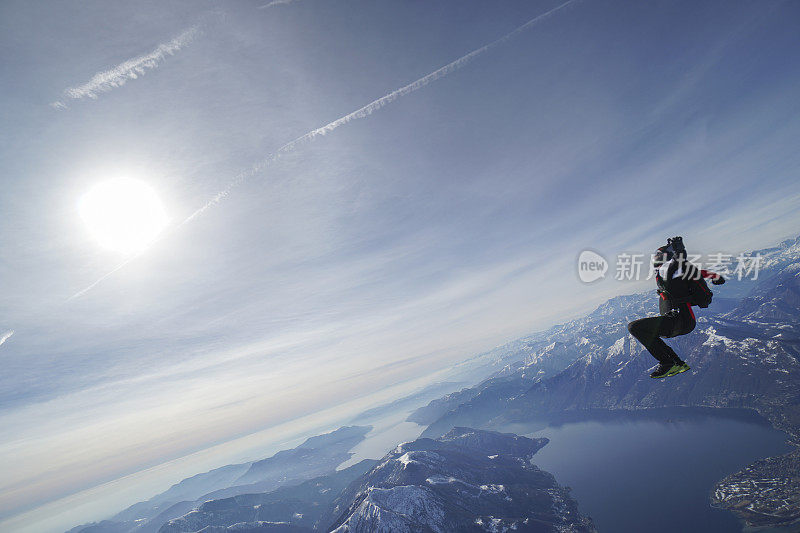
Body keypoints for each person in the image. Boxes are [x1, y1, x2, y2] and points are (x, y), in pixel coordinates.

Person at [627, 236, 725, 379]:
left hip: (680, 321)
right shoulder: (670, 274)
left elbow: (679, 263)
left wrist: (680, 249)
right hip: (680, 321)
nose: (656, 259)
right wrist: (714, 275)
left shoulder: (668, 269)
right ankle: (675, 362)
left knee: (635, 328)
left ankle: (668, 363)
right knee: (644, 330)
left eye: (659, 256)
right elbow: (693, 271)